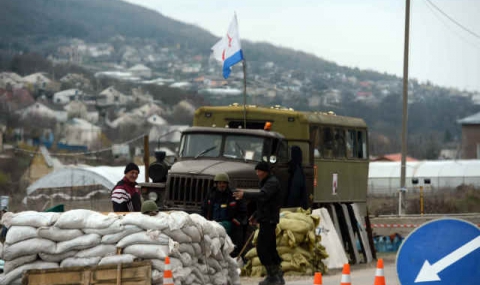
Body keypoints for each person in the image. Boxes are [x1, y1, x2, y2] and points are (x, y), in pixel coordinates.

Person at [233, 161, 285, 285]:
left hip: (269, 220)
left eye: (259, 171)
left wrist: (245, 194)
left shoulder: (272, 182)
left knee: (263, 248)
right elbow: (264, 203)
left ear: (265, 171)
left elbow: (263, 196)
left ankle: (273, 276)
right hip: (266, 218)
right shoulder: (266, 182)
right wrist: (256, 215)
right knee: (270, 248)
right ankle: (276, 275)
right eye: (256, 171)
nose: (258, 174)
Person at [202, 172, 247, 257]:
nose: (221, 185)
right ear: (216, 184)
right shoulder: (210, 195)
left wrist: (237, 221)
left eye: (224, 183)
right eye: (219, 183)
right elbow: (204, 208)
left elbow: (243, 210)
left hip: (228, 224)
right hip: (212, 223)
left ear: (227, 184)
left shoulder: (233, 195)